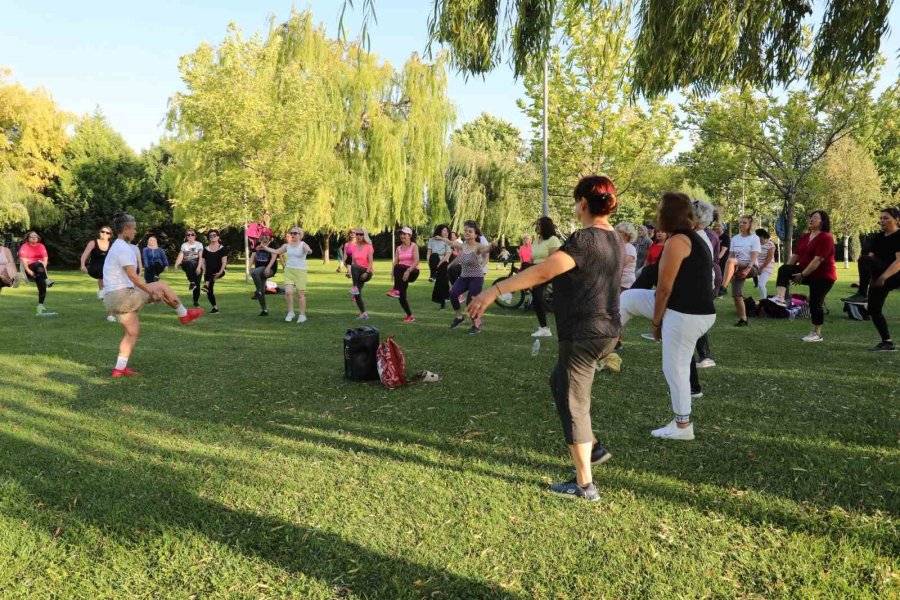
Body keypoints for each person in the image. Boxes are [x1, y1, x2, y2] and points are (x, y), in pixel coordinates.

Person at [468, 175, 622, 501]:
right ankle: (591, 448)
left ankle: (585, 484)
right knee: (560, 383)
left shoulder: (585, 239)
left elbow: (543, 271)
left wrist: (494, 290)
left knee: (573, 402)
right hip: (607, 331)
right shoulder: (614, 238)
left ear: (583, 203)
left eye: (575, 200)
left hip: (584, 333)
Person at [619, 192, 716, 441]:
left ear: (668, 214)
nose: (656, 214)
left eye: (659, 210)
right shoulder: (688, 238)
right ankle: (601, 345)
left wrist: (656, 323)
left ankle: (682, 427)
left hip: (688, 314)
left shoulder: (679, 241)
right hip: (684, 309)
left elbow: (664, 288)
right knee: (628, 299)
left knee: (675, 368)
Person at [103, 212, 203, 378]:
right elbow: (133, 276)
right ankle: (184, 314)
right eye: (134, 229)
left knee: (132, 333)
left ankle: (119, 369)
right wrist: (152, 291)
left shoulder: (116, 246)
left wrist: (150, 293)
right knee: (161, 285)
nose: (135, 232)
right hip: (122, 296)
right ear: (126, 229)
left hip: (111, 298)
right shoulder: (123, 248)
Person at [770, 210, 836, 343]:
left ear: (822, 221)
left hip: (823, 276)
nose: (811, 219)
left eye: (815, 218)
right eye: (810, 217)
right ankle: (781, 298)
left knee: (815, 304)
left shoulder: (826, 237)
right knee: (784, 268)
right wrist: (788, 271)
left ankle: (817, 333)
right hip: (805, 271)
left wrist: (802, 275)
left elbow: (818, 260)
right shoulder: (805, 236)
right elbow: (796, 256)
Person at [842, 207, 900, 351]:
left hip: (895, 274)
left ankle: (862, 294)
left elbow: (898, 262)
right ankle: (887, 342)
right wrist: (865, 281)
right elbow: (870, 260)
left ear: (897, 220)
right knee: (874, 309)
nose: (882, 221)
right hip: (880, 273)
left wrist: (883, 277)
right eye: (880, 218)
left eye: (886, 218)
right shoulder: (878, 237)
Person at [448, 223, 490, 334]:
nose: (467, 233)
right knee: (452, 293)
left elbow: (487, 250)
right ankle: (459, 317)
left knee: (470, 303)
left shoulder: (478, 246)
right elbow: (451, 243)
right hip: (464, 277)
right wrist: (441, 238)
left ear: (476, 235)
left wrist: (494, 246)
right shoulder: (464, 246)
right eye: (466, 231)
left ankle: (476, 325)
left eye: (470, 231)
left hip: (476, 277)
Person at [264, 226, 312, 323]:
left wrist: (309, 250)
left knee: (300, 294)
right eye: (291, 233)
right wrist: (264, 247)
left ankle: (302, 315)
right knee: (288, 292)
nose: (292, 235)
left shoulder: (303, 244)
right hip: (289, 271)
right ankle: (291, 312)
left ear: (300, 235)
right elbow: (277, 251)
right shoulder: (287, 245)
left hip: (300, 272)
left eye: (295, 233)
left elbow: (308, 249)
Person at [721, 216, 761, 327]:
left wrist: (747, 269)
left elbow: (754, 255)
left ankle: (722, 288)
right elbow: (732, 255)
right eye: (740, 222)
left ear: (750, 225)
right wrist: (731, 273)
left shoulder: (754, 238)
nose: (741, 224)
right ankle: (743, 319)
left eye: (744, 222)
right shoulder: (735, 238)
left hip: (751, 267)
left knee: (731, 261)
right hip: (737, 266)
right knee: (736, 295)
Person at [530, 216, 563, 337]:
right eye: (537, 224)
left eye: (540, 224)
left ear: (546, 226)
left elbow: (554, 260)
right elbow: (533, 258)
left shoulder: (553, 240)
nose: (537, 227)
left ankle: (545, 328)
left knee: (538, 297)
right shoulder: (536, 240)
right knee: (536, 298)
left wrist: (542, 276)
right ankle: (544, 328)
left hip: (548, 272)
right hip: (536, 271)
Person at [18, 231, 55, 316]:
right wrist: (28, 271)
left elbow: (45, 258)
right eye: (32, 236)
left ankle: (40, 304)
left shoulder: (41, 246)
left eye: (36, 236)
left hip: (40, 268)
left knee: (41, 284)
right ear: (28, 238)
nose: (34, 238)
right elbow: (23, 261)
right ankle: (47, 280)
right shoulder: (24, 246)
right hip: (29, 266)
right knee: (38, 263)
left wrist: (43, 267)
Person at [389, 226, 421, 322]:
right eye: (401, 234)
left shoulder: (414, 246)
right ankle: (410, 316)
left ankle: (395, 289)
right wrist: (392, 272)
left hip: (413, 271)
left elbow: (416, 261)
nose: (402, 236)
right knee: (401, 296)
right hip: (402, 273)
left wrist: (408, 270)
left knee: (398, 267)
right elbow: (396, 261)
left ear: (409, 235)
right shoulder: (398, 248)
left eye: (404, 234)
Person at [79, 225, 112, 301]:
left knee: (106, 270)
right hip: (94, 268)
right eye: (102, 231)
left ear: (110, 235)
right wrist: (82, 265)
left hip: (106, 269)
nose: (104, 234)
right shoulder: (93, 243)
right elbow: (84, 255)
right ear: (99, 232)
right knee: (102, 270)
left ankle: (106, 292)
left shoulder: (111, 245)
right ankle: (101, 291)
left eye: (107, 233)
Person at [348, 228, 374, 319]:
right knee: (357, 294)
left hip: (367, 272)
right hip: (357, 272)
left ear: (364, 236)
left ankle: (354, 287)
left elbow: (371, 262)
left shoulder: (368, 246)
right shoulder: (354, 246)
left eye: (360, 234)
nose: (358, 236)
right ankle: (363, 313)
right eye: (357, 234)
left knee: (354, 266)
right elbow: (353, 261)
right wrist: (349, 273)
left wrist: (367, 272)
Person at [200, 230, 228, 314]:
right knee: (209, 290)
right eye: (211, 236)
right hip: (208, 272)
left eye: (214, 235)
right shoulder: (206, 249)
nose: (212, 237)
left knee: (208, 284)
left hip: (219, 270)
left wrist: (220, 272)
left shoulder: (222, 248)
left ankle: (206, 284)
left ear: (218, 237)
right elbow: (203, 261)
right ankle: (215, 308)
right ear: (209, 238)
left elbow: (224, 262)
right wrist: (204, 272)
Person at [173, 229, 203, 307]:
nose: (190, 236)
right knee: (188, 263)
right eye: (188, 235)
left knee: (198, 284)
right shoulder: (184, 245)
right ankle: (192, 282)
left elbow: (201, 257)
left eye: (192, 234)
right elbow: (181, 255)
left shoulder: (199, 244)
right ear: (186, 236)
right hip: (186, 263)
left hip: (197, 263)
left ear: (195, 236)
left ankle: (195, 301)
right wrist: (176, 264)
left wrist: (199, 267)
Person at [249, 232, 276, 316]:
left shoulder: (273, 245)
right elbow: (252, 257)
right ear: (260, 238)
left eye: (267, 237)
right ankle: (264, 310)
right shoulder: (257, 245)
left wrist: (268, 268)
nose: (265, 238)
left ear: (270, 238)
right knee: (261, 291)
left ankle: (258, 292)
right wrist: (249, 267)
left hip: (270, 269)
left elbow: (274, 257)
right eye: (263, 237)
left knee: (255, 272)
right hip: (259, 270)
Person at [428, 225, 453, 309]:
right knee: (434, 255)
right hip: (434, 260)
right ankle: (433, 275)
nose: (446, 232)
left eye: (447, 231)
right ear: (439, 231)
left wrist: (439, 264)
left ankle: (443, 304)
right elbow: (429, 253)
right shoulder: (431, 240)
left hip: (443, 262)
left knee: (442, 282)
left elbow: (447, 255)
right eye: (444, 230)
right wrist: (430, 263)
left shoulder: (447, 241)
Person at [755, 229, 776, 300]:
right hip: (757, 265)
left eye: (757, 236)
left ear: (762, 236)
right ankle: (764, 299)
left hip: (767, 266)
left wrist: (761, 268)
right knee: (759, 285)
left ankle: (765, 300)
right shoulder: (756, 244)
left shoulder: (770, 244)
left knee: (761, 285)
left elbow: (769, 258)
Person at [616, 222, 637, 291]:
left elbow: (620, 264)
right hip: (616, 281)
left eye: (620, 232)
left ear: (627, 234)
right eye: (617, 231)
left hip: (625, 283)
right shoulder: (616, 246)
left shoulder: (631, 248)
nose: (617, 234)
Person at [713, 221, 730, 295]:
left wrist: (718, 258)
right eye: (716, 226)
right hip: (714, 258)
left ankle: (722, 290)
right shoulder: (713, 236)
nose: (717, 227)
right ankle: (716, 289)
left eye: (719, 226)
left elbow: (724, 250)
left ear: (723, 228)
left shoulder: (726, 237)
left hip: (723, 259)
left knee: (722, 274)